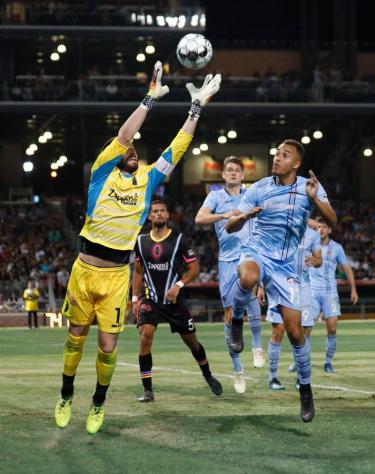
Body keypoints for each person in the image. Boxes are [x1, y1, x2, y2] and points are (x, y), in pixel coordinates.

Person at [54, 60, 221, 434]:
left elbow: (177, 149)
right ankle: (66, 394)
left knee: (108, 347)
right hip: (84, 271)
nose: (132, 150)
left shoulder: (146, 181)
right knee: (75, 338)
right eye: (127, 149)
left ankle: (97, 404)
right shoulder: (102, 172)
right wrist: (149, 99)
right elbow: (125, 132)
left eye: (135, 150)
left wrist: (196, 108)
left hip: (115, 277)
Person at [225, 139, 337, 422]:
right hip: (258, 252)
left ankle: (306, 389)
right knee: (248, 276)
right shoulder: (260, 188)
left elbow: (332, 220)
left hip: (287, 265)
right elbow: (230, 225)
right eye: (276, 154)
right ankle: (236, 320)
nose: (277, 159)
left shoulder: (308, 187)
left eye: (284, 156)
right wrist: (245, 216)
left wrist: (315, 199)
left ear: (296, 164)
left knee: (295, 332)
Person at [132, 200, 222, 403]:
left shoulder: (180, 240)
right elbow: (137, 272)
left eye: (163, 210)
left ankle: (208, 375)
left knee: (192, 342)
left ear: (168, 215)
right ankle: (148, 391)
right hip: (150, 299)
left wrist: (179, 285)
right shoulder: (140, 241)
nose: (159, 214)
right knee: (145, 336)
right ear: (149, 216)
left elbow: (194, 268)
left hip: (174, 300)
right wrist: (134, 298)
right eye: (155, 211)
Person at [195, 156, 264, 394]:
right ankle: (237, 371)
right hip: (226, 259)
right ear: (223, 175)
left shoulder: (252, 194)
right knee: (229, 315)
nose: (233, 173)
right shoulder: (215, 197)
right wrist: (223, 215)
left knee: (252, 296)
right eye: (229, 170)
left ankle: (257, 347)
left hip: (249, 255)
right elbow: (199, 218)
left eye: (237, 170)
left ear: (243, 175)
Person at [266, 218, 322, 390]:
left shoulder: (313, 235)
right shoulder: (281, 228)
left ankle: (301, 379)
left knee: (303, 333)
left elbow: (319, 260)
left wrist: (315, 260)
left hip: (303, 285)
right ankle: (273, 378)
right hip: (281, 283)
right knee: (278, 330)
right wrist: (261, 285)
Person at [308, 218, 359, 373]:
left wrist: (353, 289)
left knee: (332, 328)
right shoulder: (309, 245)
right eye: (319, 227)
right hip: (311, 292)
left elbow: (346, 268)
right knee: (305, 329)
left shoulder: (337, 248)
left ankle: (328, 362)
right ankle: (301, 361)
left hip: (330, 293)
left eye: (325, 227)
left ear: (329, 230)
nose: (321, 230)